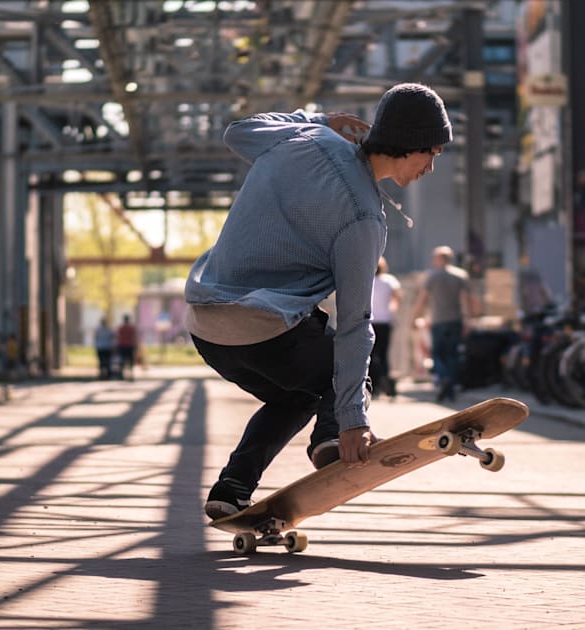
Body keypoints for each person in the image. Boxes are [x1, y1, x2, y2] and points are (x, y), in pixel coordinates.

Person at [185, 82, 453, 519]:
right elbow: (353, 324)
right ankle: (332, 441)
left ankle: (233, 487)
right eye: (433, 154)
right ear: (411, 143)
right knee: (346, 375)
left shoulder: (306, 138)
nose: (431, 168)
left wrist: (320, 120)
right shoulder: (364, 218)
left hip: (206, 327)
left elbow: (238, 132)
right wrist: (351, 419)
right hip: (266, 329)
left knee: (296, 396)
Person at [411, 245, 473, 402]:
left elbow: (423, 299)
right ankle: (450, 387)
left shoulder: (432, 276)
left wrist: (414, 317)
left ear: (440, 259)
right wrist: (467, 319)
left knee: (437, 354)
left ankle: (444, 378)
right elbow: (465, 300)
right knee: (453, 354)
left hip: (438, 320)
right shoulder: (460, 275)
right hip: (455, 319)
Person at [369, 256, 401, 398]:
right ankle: (387, 386)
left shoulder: (367, 280)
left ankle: (374, 387)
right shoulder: (390, 280)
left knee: (371, 354)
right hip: (385, 321)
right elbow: (397, 298)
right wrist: (391, 309)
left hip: (370, 321)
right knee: (384, 354)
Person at [116, 314, 139, 380]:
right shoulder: (131, 328)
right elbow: (134, 337)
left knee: (122, 360)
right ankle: (131, 375)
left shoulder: (121, 328)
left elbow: (118, 337)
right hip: (130, 345)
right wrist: (136, 345)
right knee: (130, 361)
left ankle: (122, 374)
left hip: (123, 345)